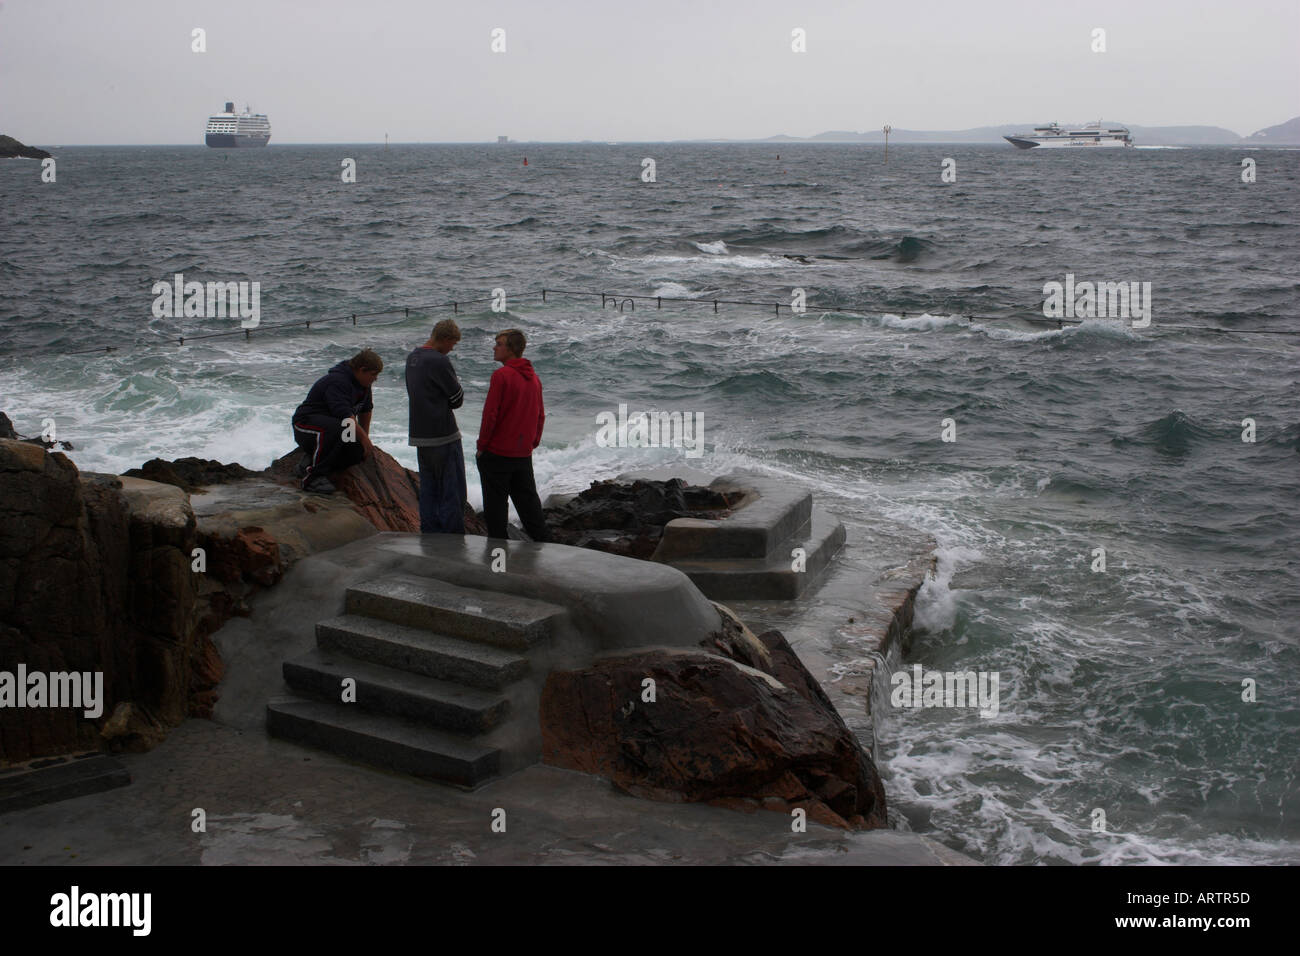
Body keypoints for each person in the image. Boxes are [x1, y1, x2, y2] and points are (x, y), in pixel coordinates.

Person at [476, 328, 549, 541]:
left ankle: (498, 559)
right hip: (522, 453)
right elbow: (540, 415)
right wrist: (532, 442)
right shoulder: (534, 378)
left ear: (511, 349)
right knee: (530, 507)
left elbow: (491, 414)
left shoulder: (501, 376)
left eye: (499, 344)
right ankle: (546, 551)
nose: (494, 347)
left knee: (496, 509)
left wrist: (482, 446)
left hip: (497, 452)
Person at [291, 349, 381, 494]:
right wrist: (366, 441)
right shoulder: (338, 381)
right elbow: (345, 416)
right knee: (337, 428)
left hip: (331, 430)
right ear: (361, 370)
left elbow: (366, 410)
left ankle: (309, 461)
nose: (375, 379)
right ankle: (313, 478)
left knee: (355, 451)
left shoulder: (364, 385)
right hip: (305, 425)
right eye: (373, 375)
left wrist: (364, 440)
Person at [405, 319, 467, 533]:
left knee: (429, 490)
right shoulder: (438, 361)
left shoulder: (412, 358)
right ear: (446, 339)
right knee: (452, 491)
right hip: (443, 435)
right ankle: (453, 539)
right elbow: (457, 398)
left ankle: (431, 536)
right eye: (453, 344)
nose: (451, 349)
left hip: (420, 435)